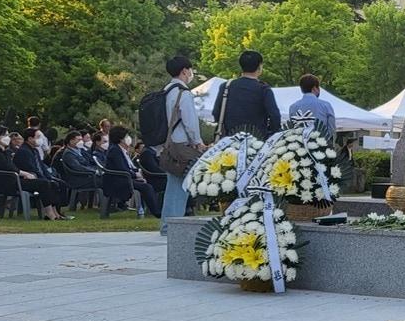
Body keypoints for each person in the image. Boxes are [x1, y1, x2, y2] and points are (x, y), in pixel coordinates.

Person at [0, 124, 69, 220]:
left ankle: (55, 212)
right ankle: (49, 213)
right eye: (5, 135)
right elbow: (6, 167)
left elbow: (12, 166)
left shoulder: (4, 151)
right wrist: (25, 173)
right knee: (43, 183)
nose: (8, 138)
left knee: (51, 183)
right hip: (4, 182)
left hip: (13, 179)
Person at [158, 54, 203, 235]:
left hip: (168, 145)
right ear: (185, 70)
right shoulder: (183, 93)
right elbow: (190, 122)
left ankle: (168, 224)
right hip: (181, 146)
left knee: (173, 185)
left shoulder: (166, 91)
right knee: (179, 187)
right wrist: (197, 142)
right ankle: (171, 225)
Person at [212, 49, 281, 137]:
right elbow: (275, 116)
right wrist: (269, 132)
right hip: (256, 140)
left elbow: (216, 112)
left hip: (229, 139)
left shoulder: (226, 86)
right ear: (259, 67)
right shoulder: (264, 89)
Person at [103, 125, 161, 216]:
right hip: (118, 181)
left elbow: (129, 166)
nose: (128, 138)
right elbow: (122, 168)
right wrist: (136, 175)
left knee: (150, 183)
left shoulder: (121, 150)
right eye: (126, 136)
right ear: (121, 139)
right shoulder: (114, 150)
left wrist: (137, 173)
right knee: (146, 187)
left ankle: (155, 208)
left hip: (125, 178)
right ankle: (157, 212)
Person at [290, 73, 337, 137]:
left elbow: (292, 129)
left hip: (299, 144)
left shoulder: (293, 107)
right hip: (322, 143)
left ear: (302, 89)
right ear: (315, 88)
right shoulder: (326, 105)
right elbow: (332, 130)